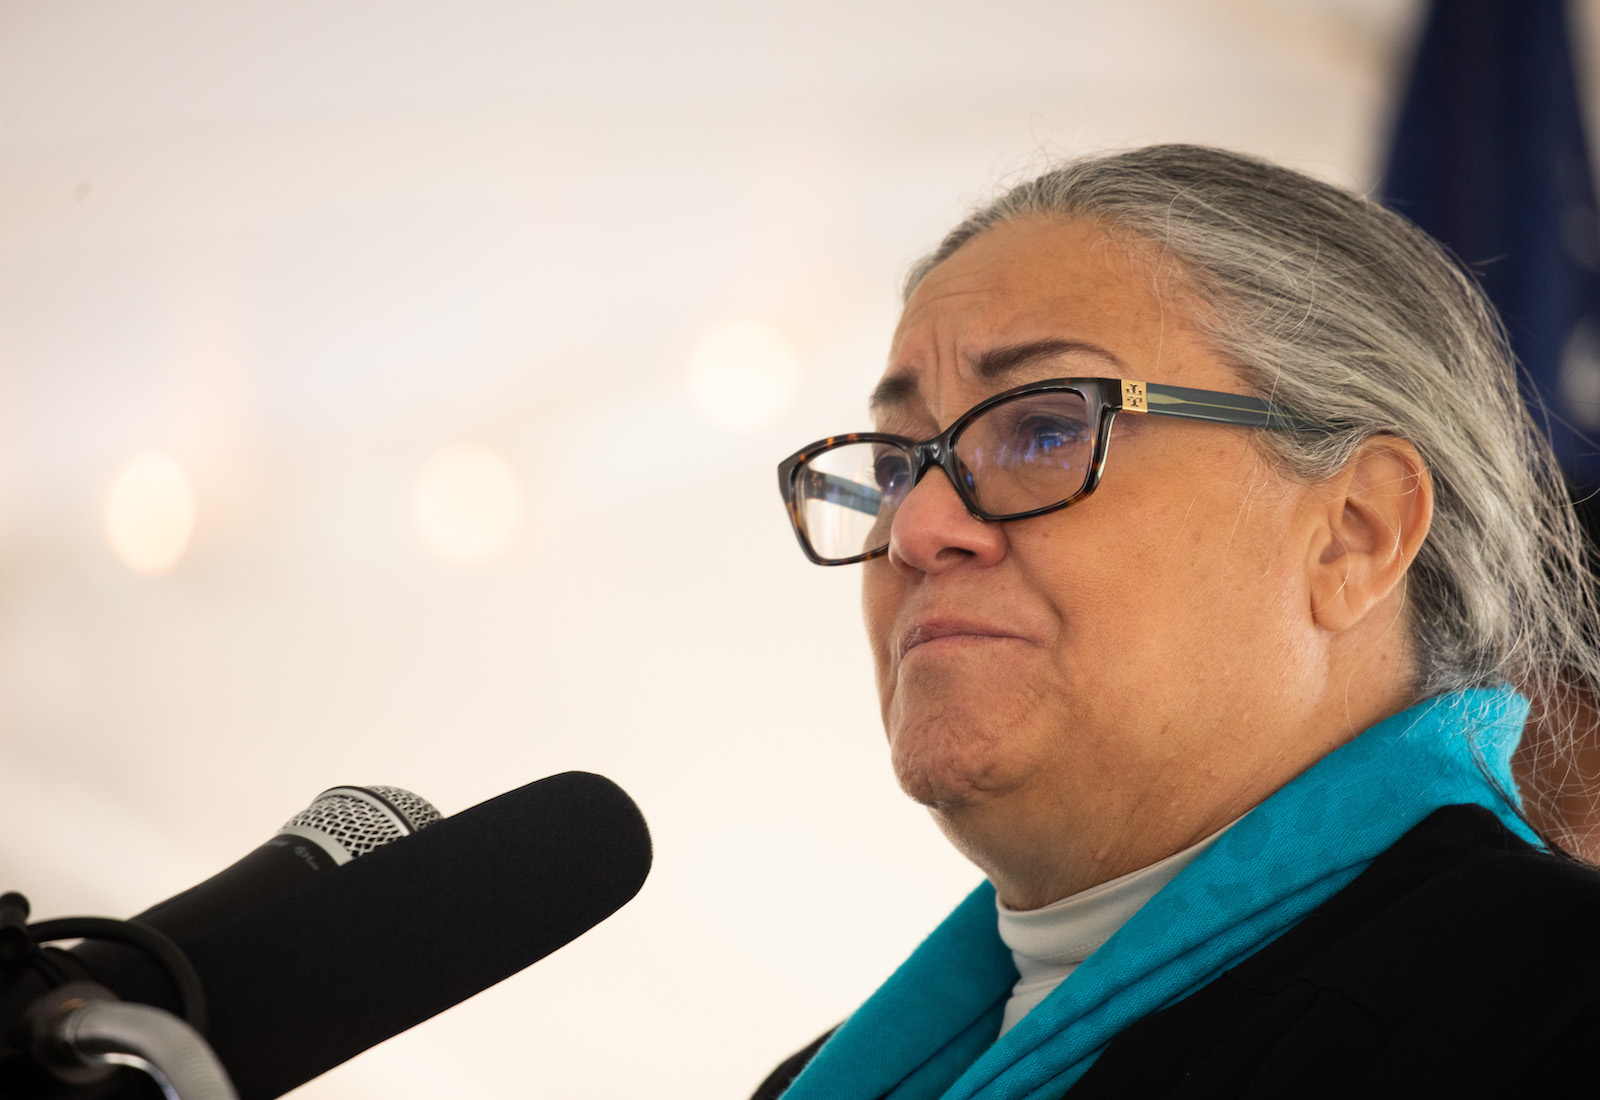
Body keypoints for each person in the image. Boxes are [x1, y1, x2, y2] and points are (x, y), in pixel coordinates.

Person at [758, 145, 1600, 1099]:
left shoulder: (1554, 1010)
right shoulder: (816, 1079)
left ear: (1355, 535)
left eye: (1046, 429)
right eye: (894, 469)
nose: (915, 528)